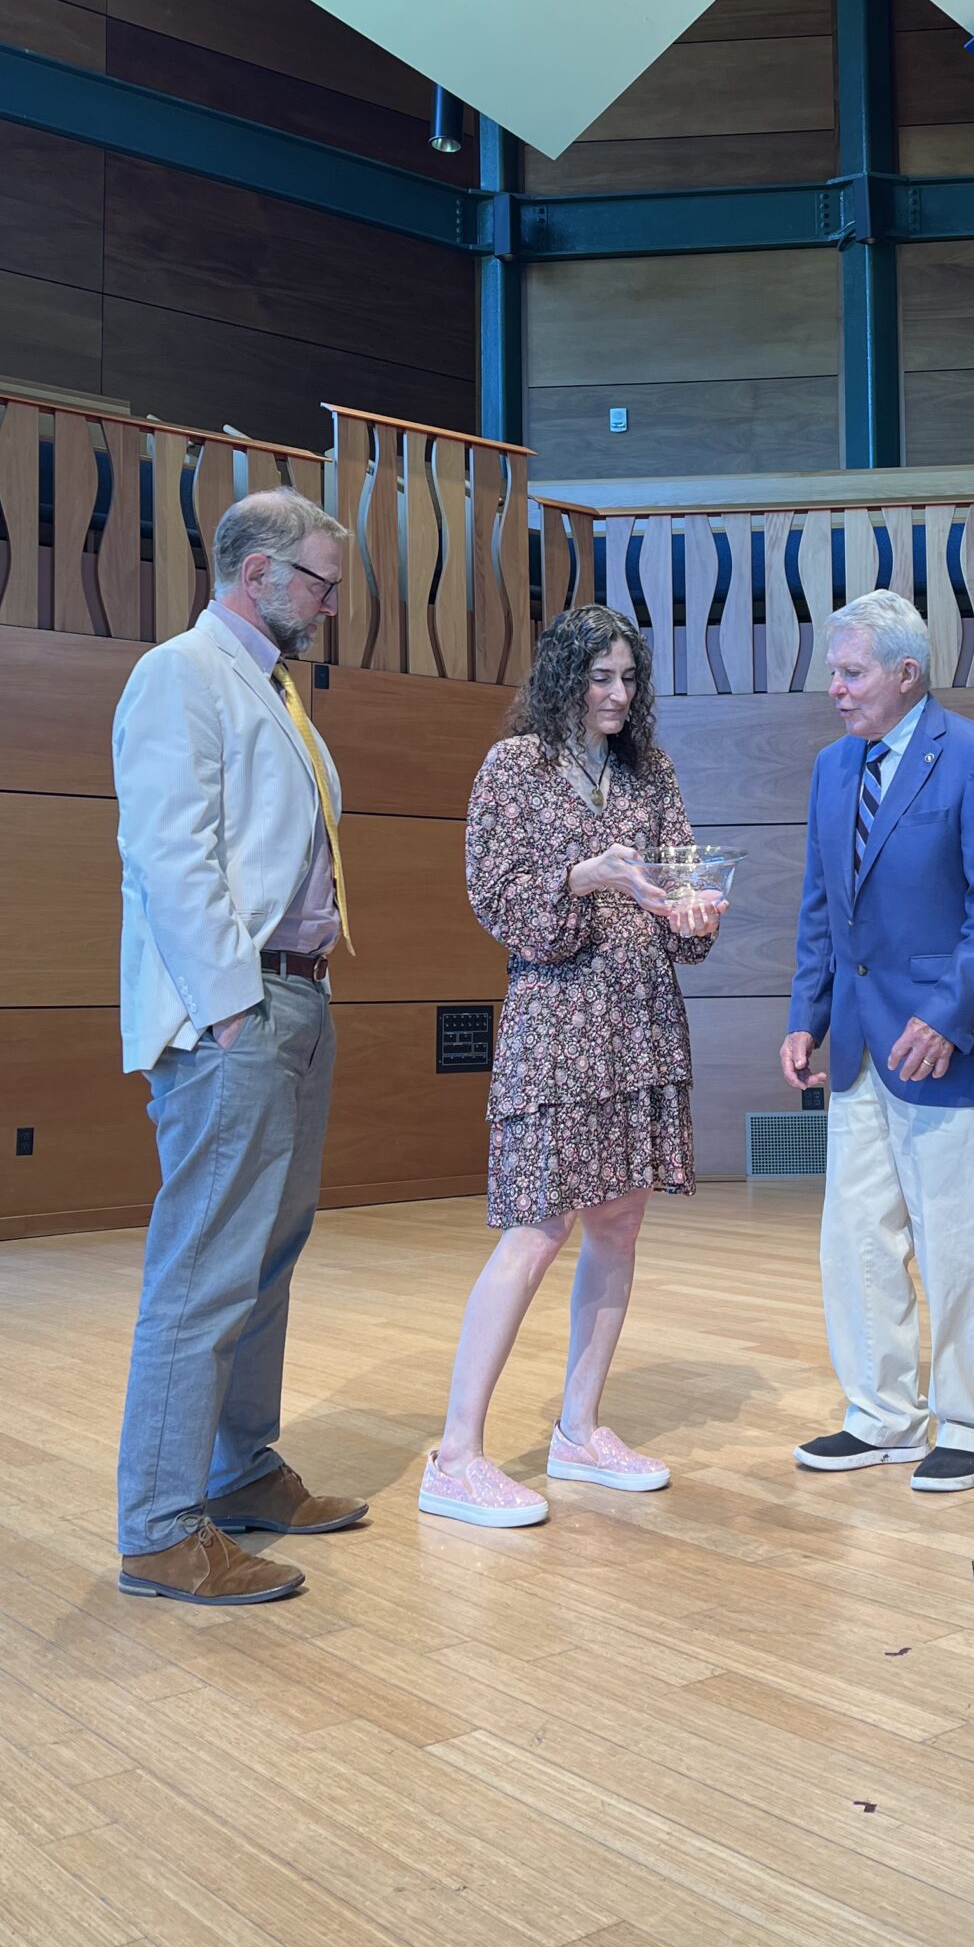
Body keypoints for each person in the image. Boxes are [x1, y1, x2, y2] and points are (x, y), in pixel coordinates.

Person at [112, 488, 367, 1606]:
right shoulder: (180, 673)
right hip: (239, 1009)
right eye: (317, 579)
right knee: (206, 1266)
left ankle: (239, 1467)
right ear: (257, 573)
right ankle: (161, 1529)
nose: (327, 601)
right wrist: (230, 1010)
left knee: (267, 1255)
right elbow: (174, 856)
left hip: (294, 999)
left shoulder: (271, 687)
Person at [420, 605, 723, 1529]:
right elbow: (495, 898)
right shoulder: (514, 768)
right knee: (536, 1230)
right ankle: (456, 1455)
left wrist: (694, 912)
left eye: (630, 679)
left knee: (619, 1226)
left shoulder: (651, 769)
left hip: (639, 1017)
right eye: (601, 678)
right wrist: (585, 877)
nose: (620, 696)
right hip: (558, 1020)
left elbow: (677, 883)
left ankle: (579, 1432)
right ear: (563, 678)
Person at [782, 590, 974, 1495]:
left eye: (850, 673)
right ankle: (881, 1416)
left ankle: (971, 1421)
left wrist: (948, 1014)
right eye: (833, 674)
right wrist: (803, 1016)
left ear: (906, 673)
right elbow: (822, 906)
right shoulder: (830, 768)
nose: (836, 691)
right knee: (856, 1236)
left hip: (950, 1045)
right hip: (855, 1046)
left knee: (958, 1240)